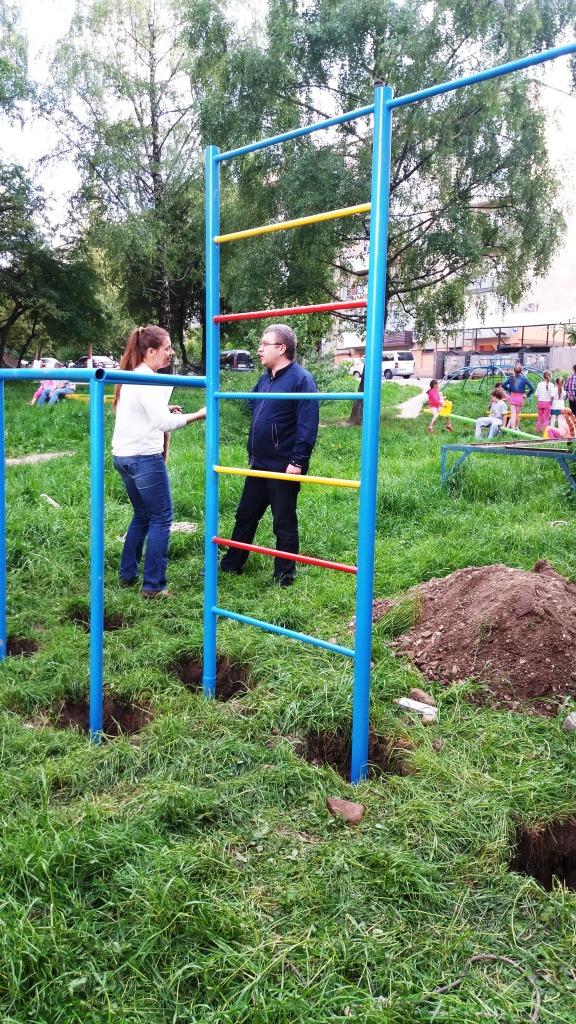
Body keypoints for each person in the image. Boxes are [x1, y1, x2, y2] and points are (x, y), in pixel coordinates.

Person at [220, 323, 319, 586]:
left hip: (284, 465)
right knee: (245, 515)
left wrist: (297, 460)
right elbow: (254, 402)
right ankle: (231, 565)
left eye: (265, 344)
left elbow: (308, 424)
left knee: (283, 521)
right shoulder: (265, 378)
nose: (259, 349)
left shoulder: (301, 380)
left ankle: (284, 576)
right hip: (259, 463)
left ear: (282, 348)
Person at [112, 324, 206, 598]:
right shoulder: (148, 380)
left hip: (123, 456)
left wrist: (164, 408)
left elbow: (140, 411)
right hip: (144, 459)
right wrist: (199, 414)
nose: (171, 353)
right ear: (151, 351)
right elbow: (165, 423)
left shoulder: (134, 375)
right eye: (167, 348)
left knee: (142, 514)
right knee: (161, 518)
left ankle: (127, 574)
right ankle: (154, 585)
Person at [502, 363, 534, 430]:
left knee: (513, 414)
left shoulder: (511, 378)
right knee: (516, 414)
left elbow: (503, 385)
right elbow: (532, 388)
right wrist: (527, 395)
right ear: (521, 371)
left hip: (513, 397)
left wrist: (510, 390)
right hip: (520, 398)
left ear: (514, 371)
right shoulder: (524, 379)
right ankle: (514, 428)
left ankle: (512, 429)